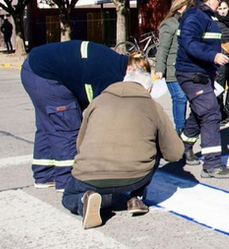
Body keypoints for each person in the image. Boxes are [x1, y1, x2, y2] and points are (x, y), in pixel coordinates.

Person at [61, 68, 184, 229]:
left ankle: (84, 199)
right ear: (148, 89)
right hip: (134, 176)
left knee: (68, 196)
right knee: (158, 143)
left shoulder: (97, 101)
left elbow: (80, 143)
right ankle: (136, 197)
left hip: (90, 173)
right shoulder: (153, 106)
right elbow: (174, 153)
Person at [20, 41, 148, 191]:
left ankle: (44, 175)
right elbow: (100, 112)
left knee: (49, 123)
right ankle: (67, 181)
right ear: (130, 69)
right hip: (44, 74)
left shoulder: (113, 61)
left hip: (33, 68)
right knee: (66, 126)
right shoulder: (111, 74)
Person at [176, 0, 229, 179]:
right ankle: (212, 165)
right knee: (211, 112)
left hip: (203, 73)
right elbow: (190, 43)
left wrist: (216, 60)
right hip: (192, 74)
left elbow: (203, 43)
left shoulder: (205, 16)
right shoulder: (195, 16)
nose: (221, 2)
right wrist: (213, 56)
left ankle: (183, 147)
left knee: (199, 111)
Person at [154, 0, 190, 134]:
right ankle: (179, 129)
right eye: (189, 7)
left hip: (185, 66)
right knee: (179, 97)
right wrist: (159, 69)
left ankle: (184, 127)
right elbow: (163, 48)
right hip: (172, 67)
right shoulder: (169, 24)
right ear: (180, 8)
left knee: (185, 97)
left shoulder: (188, 22)